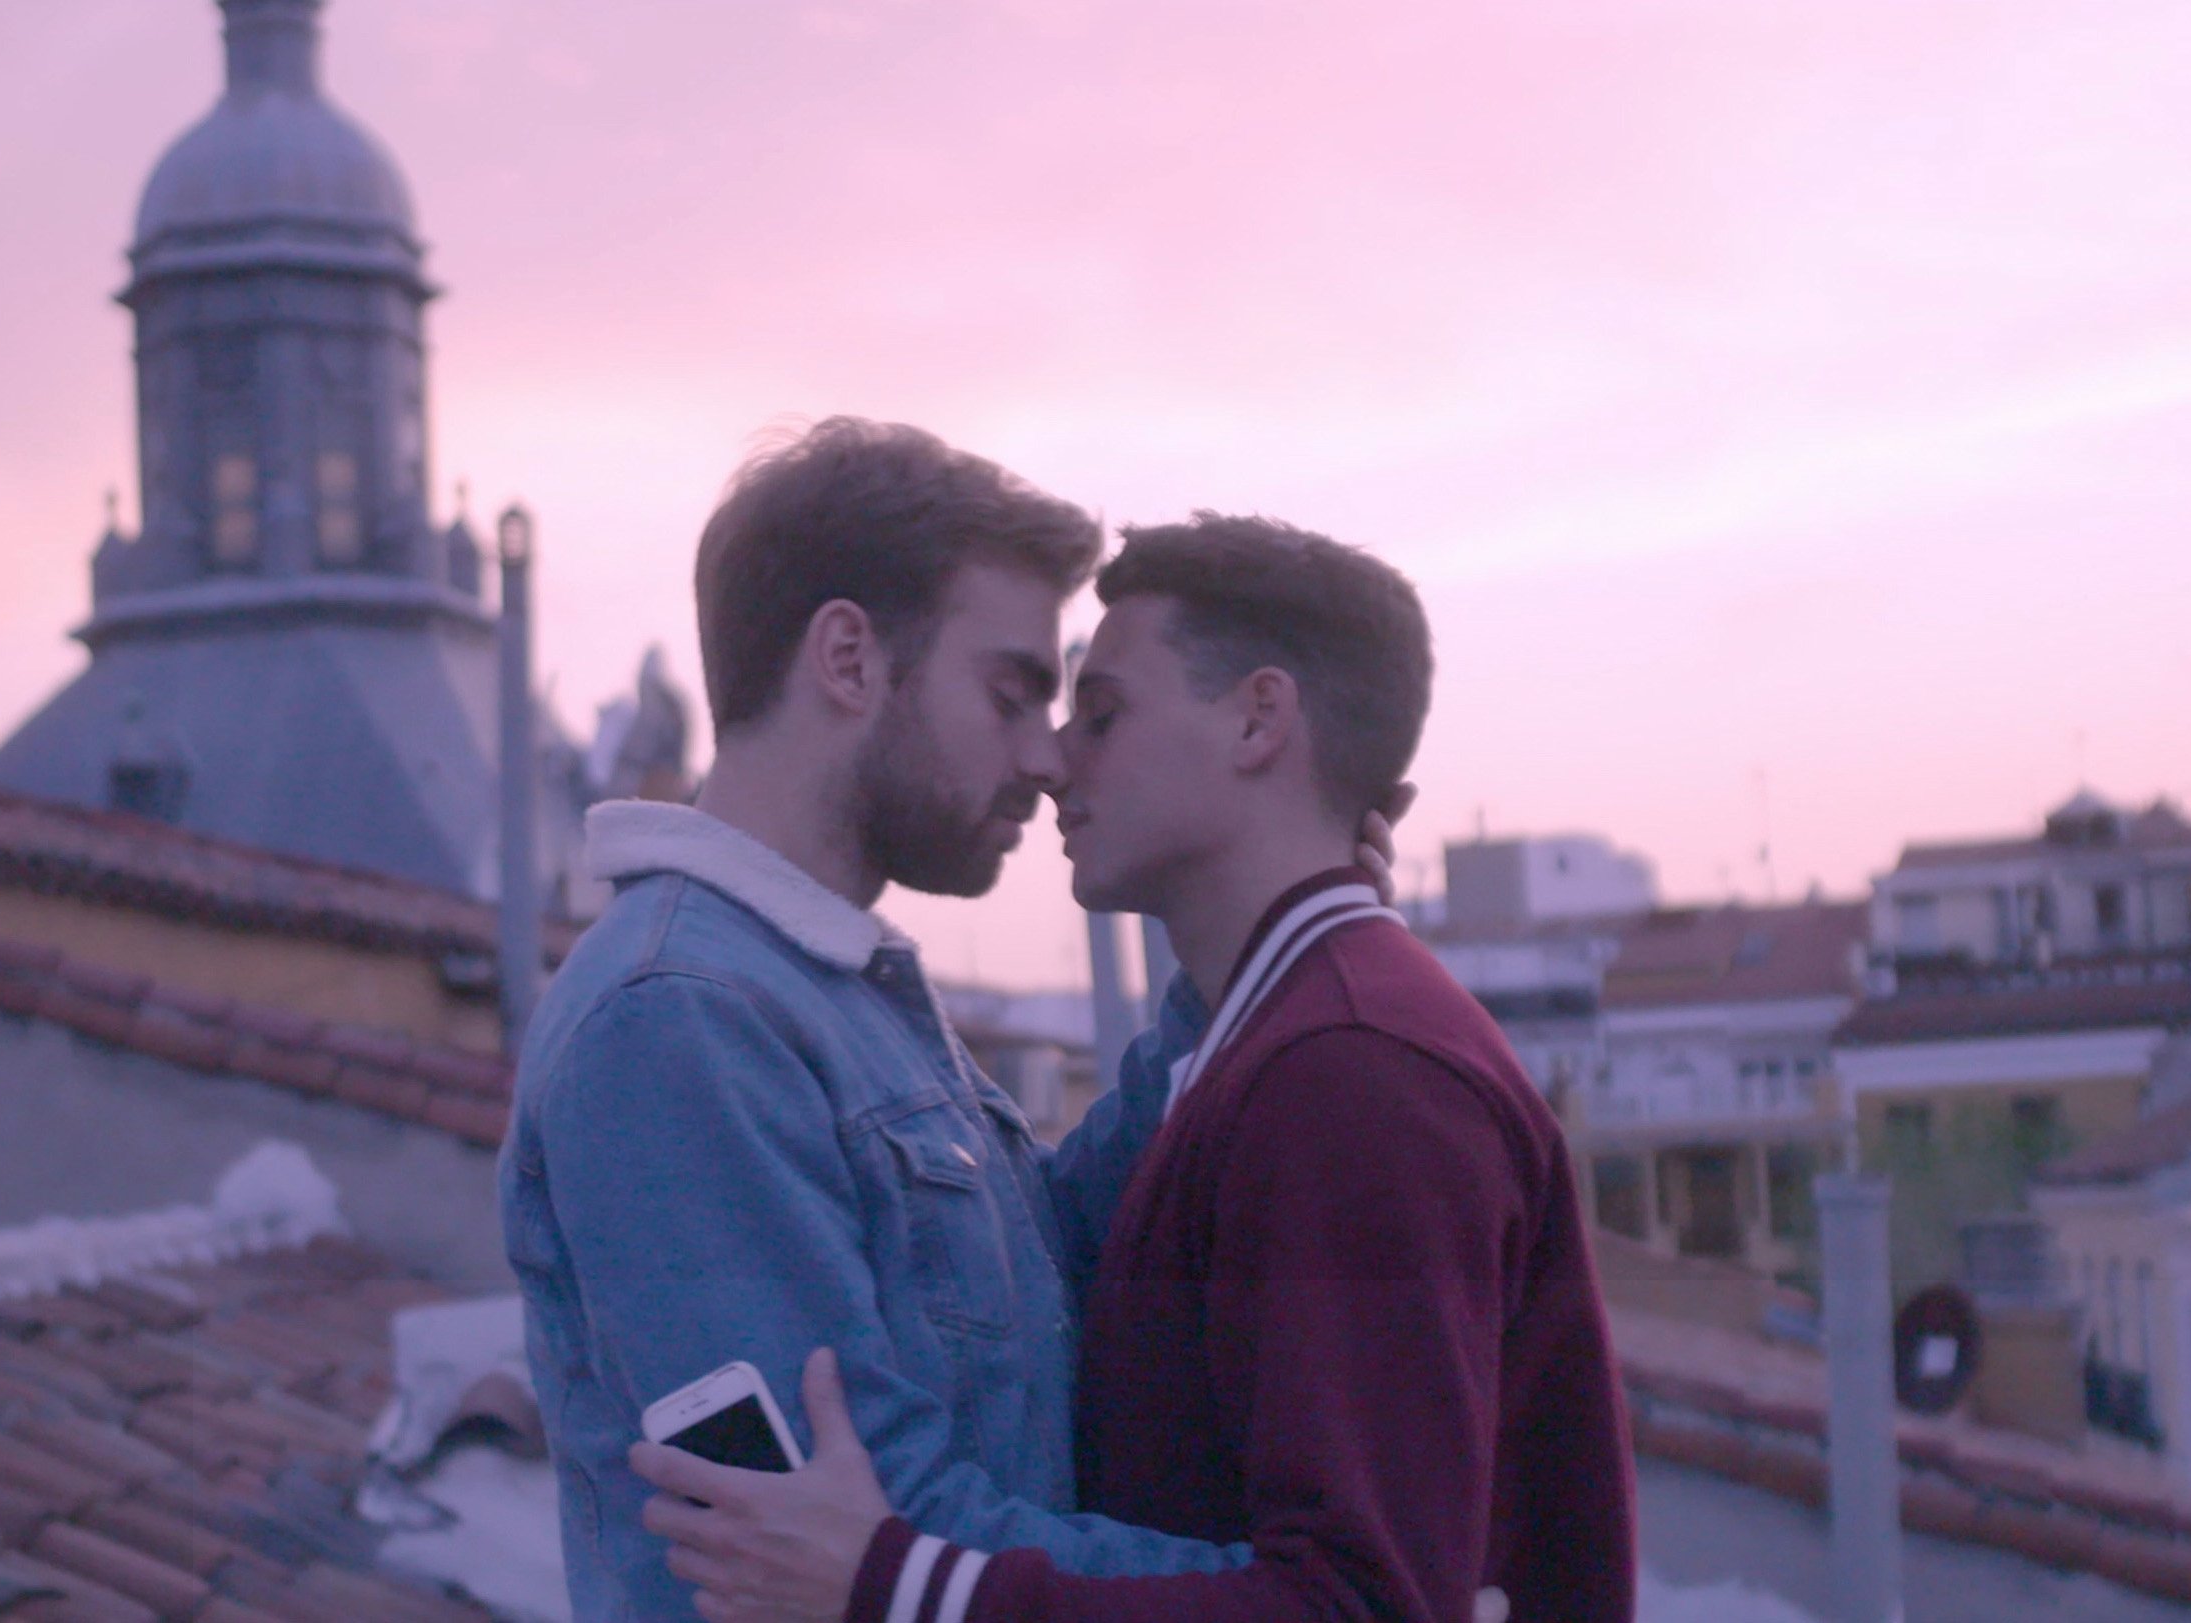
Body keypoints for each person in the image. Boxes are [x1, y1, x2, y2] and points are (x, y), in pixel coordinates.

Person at [633, 515, 1638, 1623]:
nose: (1054, 758)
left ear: (1259, 719)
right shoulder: (1286, 1043)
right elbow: (1047, 1270)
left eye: (1101, 715)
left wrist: (903, 1586)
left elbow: (1359, 1604)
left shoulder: (1354, 1073)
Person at [501, 421, 1397, 1620]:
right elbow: (872, 1532)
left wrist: (1241, 974)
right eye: (1013, 692)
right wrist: (1316, 1600)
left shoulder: (819, 985)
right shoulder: (680, 1024)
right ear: (850, 659)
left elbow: (1052, 1287)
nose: (1047, 758)